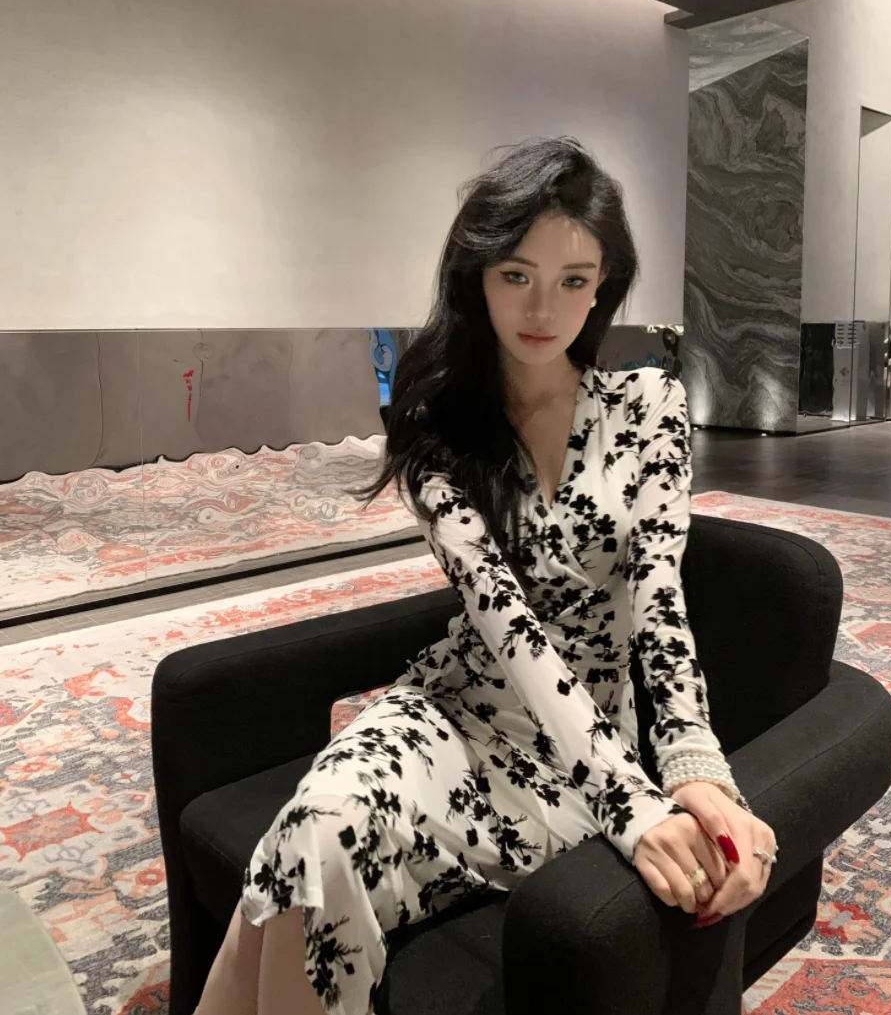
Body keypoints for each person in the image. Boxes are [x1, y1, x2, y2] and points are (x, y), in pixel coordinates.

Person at [195, 137, 779, 1015]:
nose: (543, 307)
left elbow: (660, 600)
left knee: (285, 875)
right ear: (477, 276)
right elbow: (506, 627)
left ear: (603, 285)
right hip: (459, 711)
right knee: (315, 830)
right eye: (516, 275)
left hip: (586, 749)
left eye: (574, 280)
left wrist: (693, 766)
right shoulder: (435, 426)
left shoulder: (651, 405)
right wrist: (634, 807)